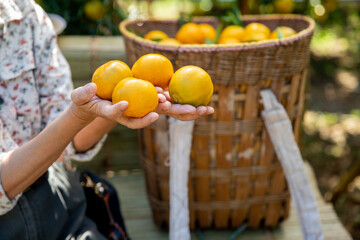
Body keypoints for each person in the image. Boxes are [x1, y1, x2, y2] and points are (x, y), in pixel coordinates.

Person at [0, 0, 214, 239]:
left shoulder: (25, 14)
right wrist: (78, 114)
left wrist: (116, 107)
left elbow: (69, 143)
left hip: (58, 202)